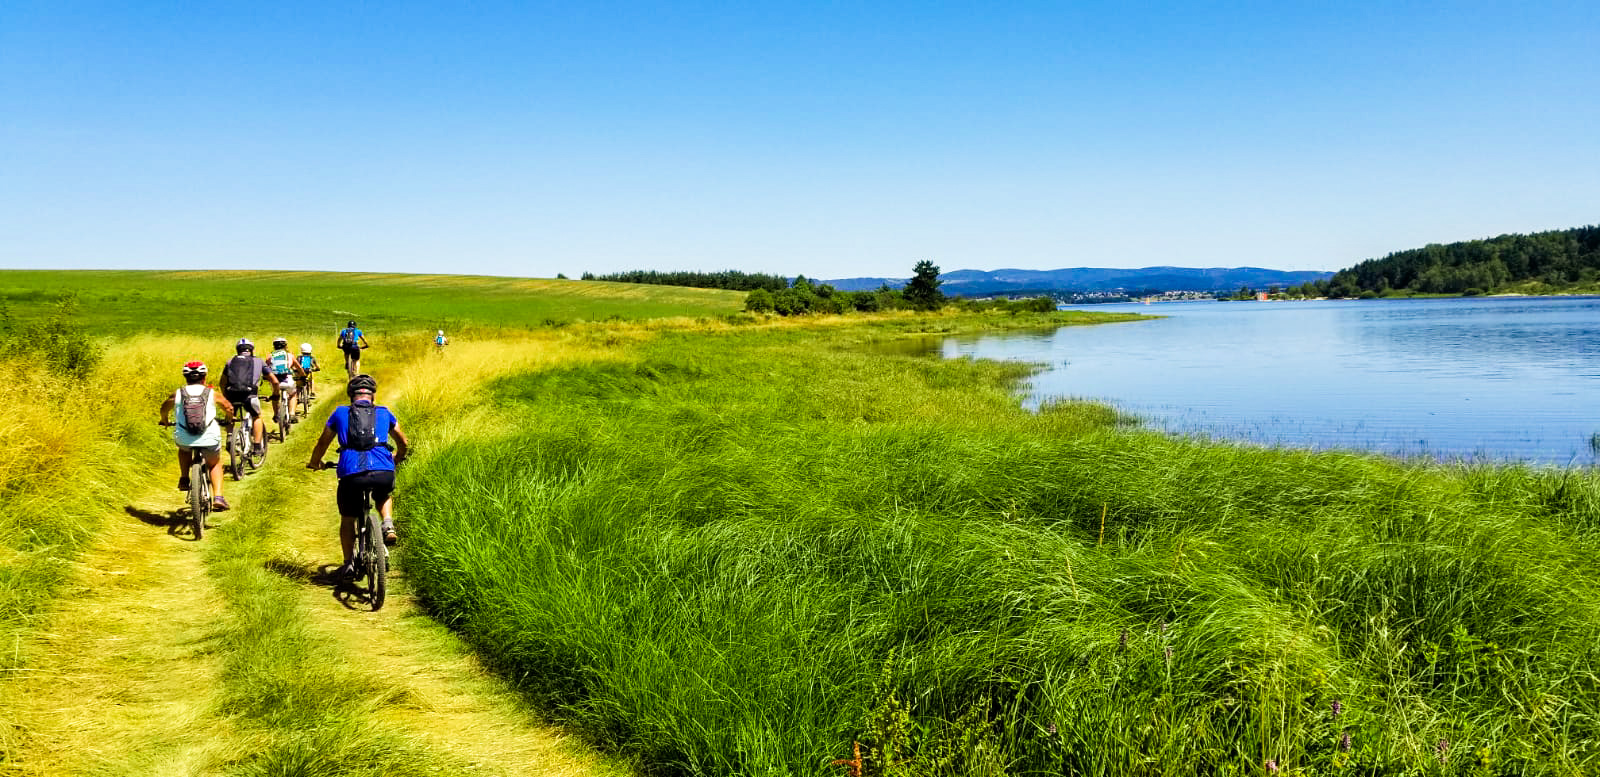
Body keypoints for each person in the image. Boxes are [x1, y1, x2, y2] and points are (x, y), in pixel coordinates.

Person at [306, 374, 410, 579]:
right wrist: (397, 457)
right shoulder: (384, 412)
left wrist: (315, 462)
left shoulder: (340, 413)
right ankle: (387, 523)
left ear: (351, 395)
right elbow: (403, 442)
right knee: (383, 494)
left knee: (347, 518)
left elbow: (323, 442)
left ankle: (348, 564)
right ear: (373, 395)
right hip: (383, 471)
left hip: (351, 474)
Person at [158, 361, 235, 511]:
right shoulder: (212, 393)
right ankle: (218, 497)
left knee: (183, 449)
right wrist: (229, 419)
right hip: (209, 437)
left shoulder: (178, 393)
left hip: (184, 437)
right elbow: (228, 408)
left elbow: (164, 408)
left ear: (186, 377)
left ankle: (184, 478)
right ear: (204, 377)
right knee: (214, 463)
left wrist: (164, 420)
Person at [220, 338, 282, 455]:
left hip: (232, 394)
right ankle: (257, 446)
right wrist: (275, 394)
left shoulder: (230, 362)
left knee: (230, 415)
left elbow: (222, 383)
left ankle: (229, 437)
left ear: (238, 350)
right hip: (250, 395)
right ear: (252, 350)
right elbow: (275, 381)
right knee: (256, 417)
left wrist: (225, 397)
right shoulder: (259, 361)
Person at [267, 337, 297, 425]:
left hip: (275, 382)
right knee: (293, 394)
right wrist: (303, 375)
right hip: (288, 380)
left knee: (275, 396)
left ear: (274, 346)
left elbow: (266, 369)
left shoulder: (270, 356)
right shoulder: (289, 355)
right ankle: (292, 414)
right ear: (285, 346)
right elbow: (298, 367)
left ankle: (276, 414)